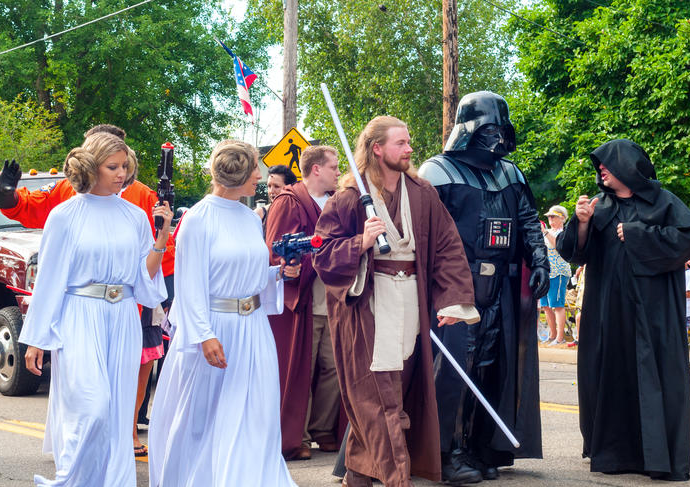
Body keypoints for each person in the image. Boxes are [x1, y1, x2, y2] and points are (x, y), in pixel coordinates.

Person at [312, 116, 479, 487]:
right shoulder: (349, 197)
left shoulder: (422, 193)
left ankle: (357, 475)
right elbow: (321, 254)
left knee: (391, 393)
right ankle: (396, 479)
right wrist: (360, 243)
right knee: (381, 401)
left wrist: (451, 301)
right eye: (400, 143)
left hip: (410, 303)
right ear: (377, 149)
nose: (409, 149)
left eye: (408, 142)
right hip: (368, 306)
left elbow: (448, 247)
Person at [0, 124, 175, 456]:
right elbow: (36, 223)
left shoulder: (143, 200)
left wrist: (161, 251)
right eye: (109, 164)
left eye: (122, 164)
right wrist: (8, 196)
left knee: (119, 403)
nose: (119, 173)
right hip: (81, 314)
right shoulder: (65, 196)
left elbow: (159, 262)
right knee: (91, 405)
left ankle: (128, 435)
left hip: (129, 312)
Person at [148, 140, 299, 486]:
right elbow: (190, 283)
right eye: (254, 170)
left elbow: (251, 272)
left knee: (256, 413)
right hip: (216, 331)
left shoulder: (250, 217)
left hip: (255, 328)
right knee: (206, 416)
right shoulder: (198, 220)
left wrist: (279, 274)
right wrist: (203, 334)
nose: (260, 176)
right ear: (237, 175)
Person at [419, 91, 549, 483]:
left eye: (501, 130)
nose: (497, 139)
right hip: (456, 287)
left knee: (490, 368)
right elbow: (425, 233)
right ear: (468, 130)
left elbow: (528, 222)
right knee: (455, 368)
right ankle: (446, 451)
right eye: (488, 129)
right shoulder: (436, 172)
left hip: (501, 289)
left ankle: (478, 447)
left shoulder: (511, 173)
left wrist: (539, 261)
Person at [557, 138, 690, 481]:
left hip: (654, 313)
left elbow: (683, 243)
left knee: (655, 377)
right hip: (608, 311)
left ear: (627, 166)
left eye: (606, 164)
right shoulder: (597, 206)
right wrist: (580, 223)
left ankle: (658, 457)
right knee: (611, 372)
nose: (600, 170)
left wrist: (637, 233)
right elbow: (574, 253)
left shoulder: (663, 201)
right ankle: (612, 454)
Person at [264, 145, 345, 460]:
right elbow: (275, 249)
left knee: (334, 365)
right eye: (333, 167)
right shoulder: (290, 200)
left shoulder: (338, 200)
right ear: (316, 170)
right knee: (301, 365)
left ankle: (323, 427)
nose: (338, 172)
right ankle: (299, 435)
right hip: (304, 296)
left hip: (335, 295)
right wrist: (291, 268)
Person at [541, 205, 572, 346]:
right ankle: (552, 335)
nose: (550, 219)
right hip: (546, 273)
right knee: (546, 306)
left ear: (562, 218)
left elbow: (557, 246)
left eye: (553, 217)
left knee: (557, 305)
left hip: (559, 272)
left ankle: (560, 338)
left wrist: (545, 233)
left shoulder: (564, 232)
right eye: (549, 217)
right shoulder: (547, 232)